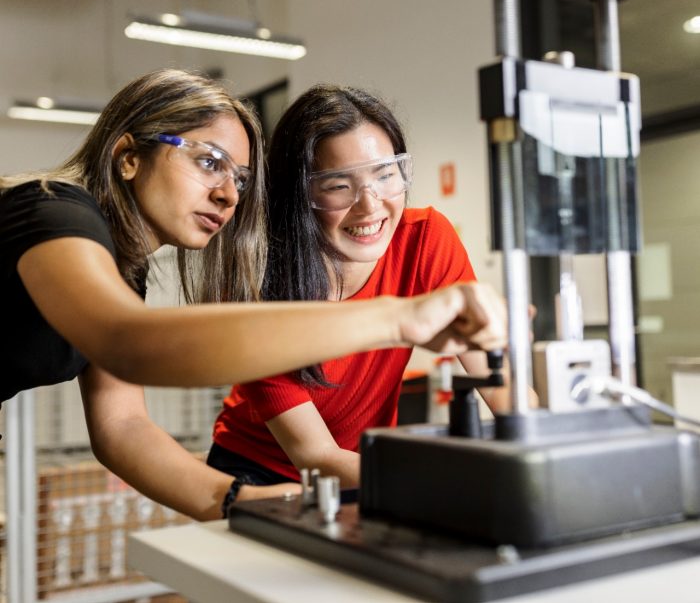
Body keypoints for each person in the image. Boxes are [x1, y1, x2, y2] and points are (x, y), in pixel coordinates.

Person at [0, 69, 507, 520]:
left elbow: (122, 427)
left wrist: (238, 499)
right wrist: (398, 318)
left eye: (240, 178)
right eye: (209, 163)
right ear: (129, 157)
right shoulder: (52, 212)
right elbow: (125, 343)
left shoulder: (121, 268)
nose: (229, 195)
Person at [208, 84, 521, 489]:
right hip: (258, 473)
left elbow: (501, 385)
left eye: (386, 175)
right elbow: (315, 455)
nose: (371, 206)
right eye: (339, 186)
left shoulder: (425, 239)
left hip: (364, 465)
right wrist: (439, 492)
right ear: (298, 194)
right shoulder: (257, 285)